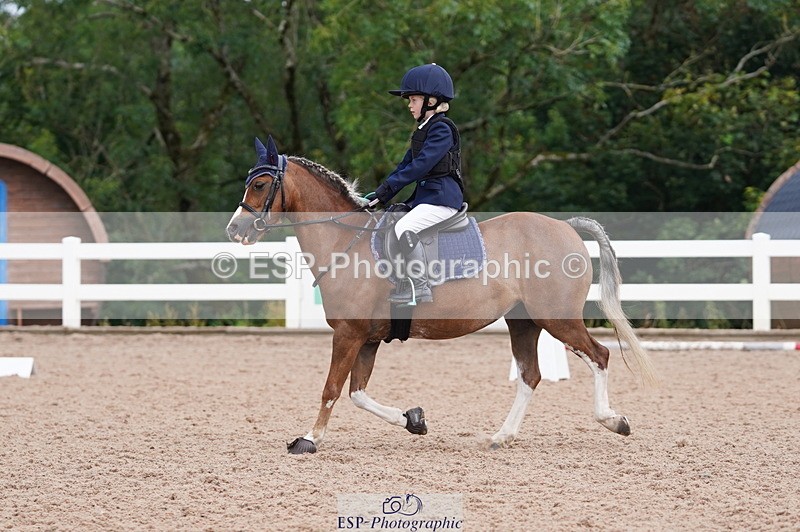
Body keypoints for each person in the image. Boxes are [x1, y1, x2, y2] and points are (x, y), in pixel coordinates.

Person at [368, 63, 465, 305]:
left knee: (405, 228)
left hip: (442, 199)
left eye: (413, 100)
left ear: (431, 101)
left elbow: (420, 166)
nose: (409, 106)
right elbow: (404, 165)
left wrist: (389, 189)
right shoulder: (424, 130)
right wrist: (380, 194)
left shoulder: (442, 129)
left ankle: (420, 287)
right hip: (427, 199)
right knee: (393, 220)